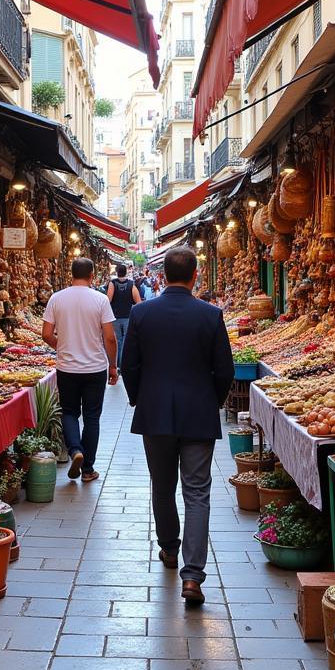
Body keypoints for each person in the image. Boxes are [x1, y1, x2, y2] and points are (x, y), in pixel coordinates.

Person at [120, 246, 234, 604]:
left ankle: (169, 549)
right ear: (195, 275)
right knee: (197, 492)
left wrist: (139, 397)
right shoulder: (211, 315)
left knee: (163, 485)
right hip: (198, 413)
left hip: (155, 414)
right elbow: (225, 370)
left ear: (164, 275)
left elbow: (130, 365)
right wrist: (211, 401)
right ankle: (193, 576)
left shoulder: (142, 313)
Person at [42, 257, 118, 482]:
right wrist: (113, 366)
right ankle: (87, 470)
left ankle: (75, 450)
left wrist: (62, 346)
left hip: (67, 367)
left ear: (71, 274)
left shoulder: (57, 298)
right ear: (92, 275)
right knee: (92, 417)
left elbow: (46, 334)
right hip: (95, 368)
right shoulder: (100, 300)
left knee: (69, 412)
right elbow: (110, 337)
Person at [106, 263, 141, 368]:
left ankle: (116, 365)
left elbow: (108, 300)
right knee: (126, 341)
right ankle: (123, 365)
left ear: (117, 272)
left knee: (116, 341)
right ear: (126, 272)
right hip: (128, 317)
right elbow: (138, 302)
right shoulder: (131, 284)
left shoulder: (113, 283)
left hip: (114, 317)